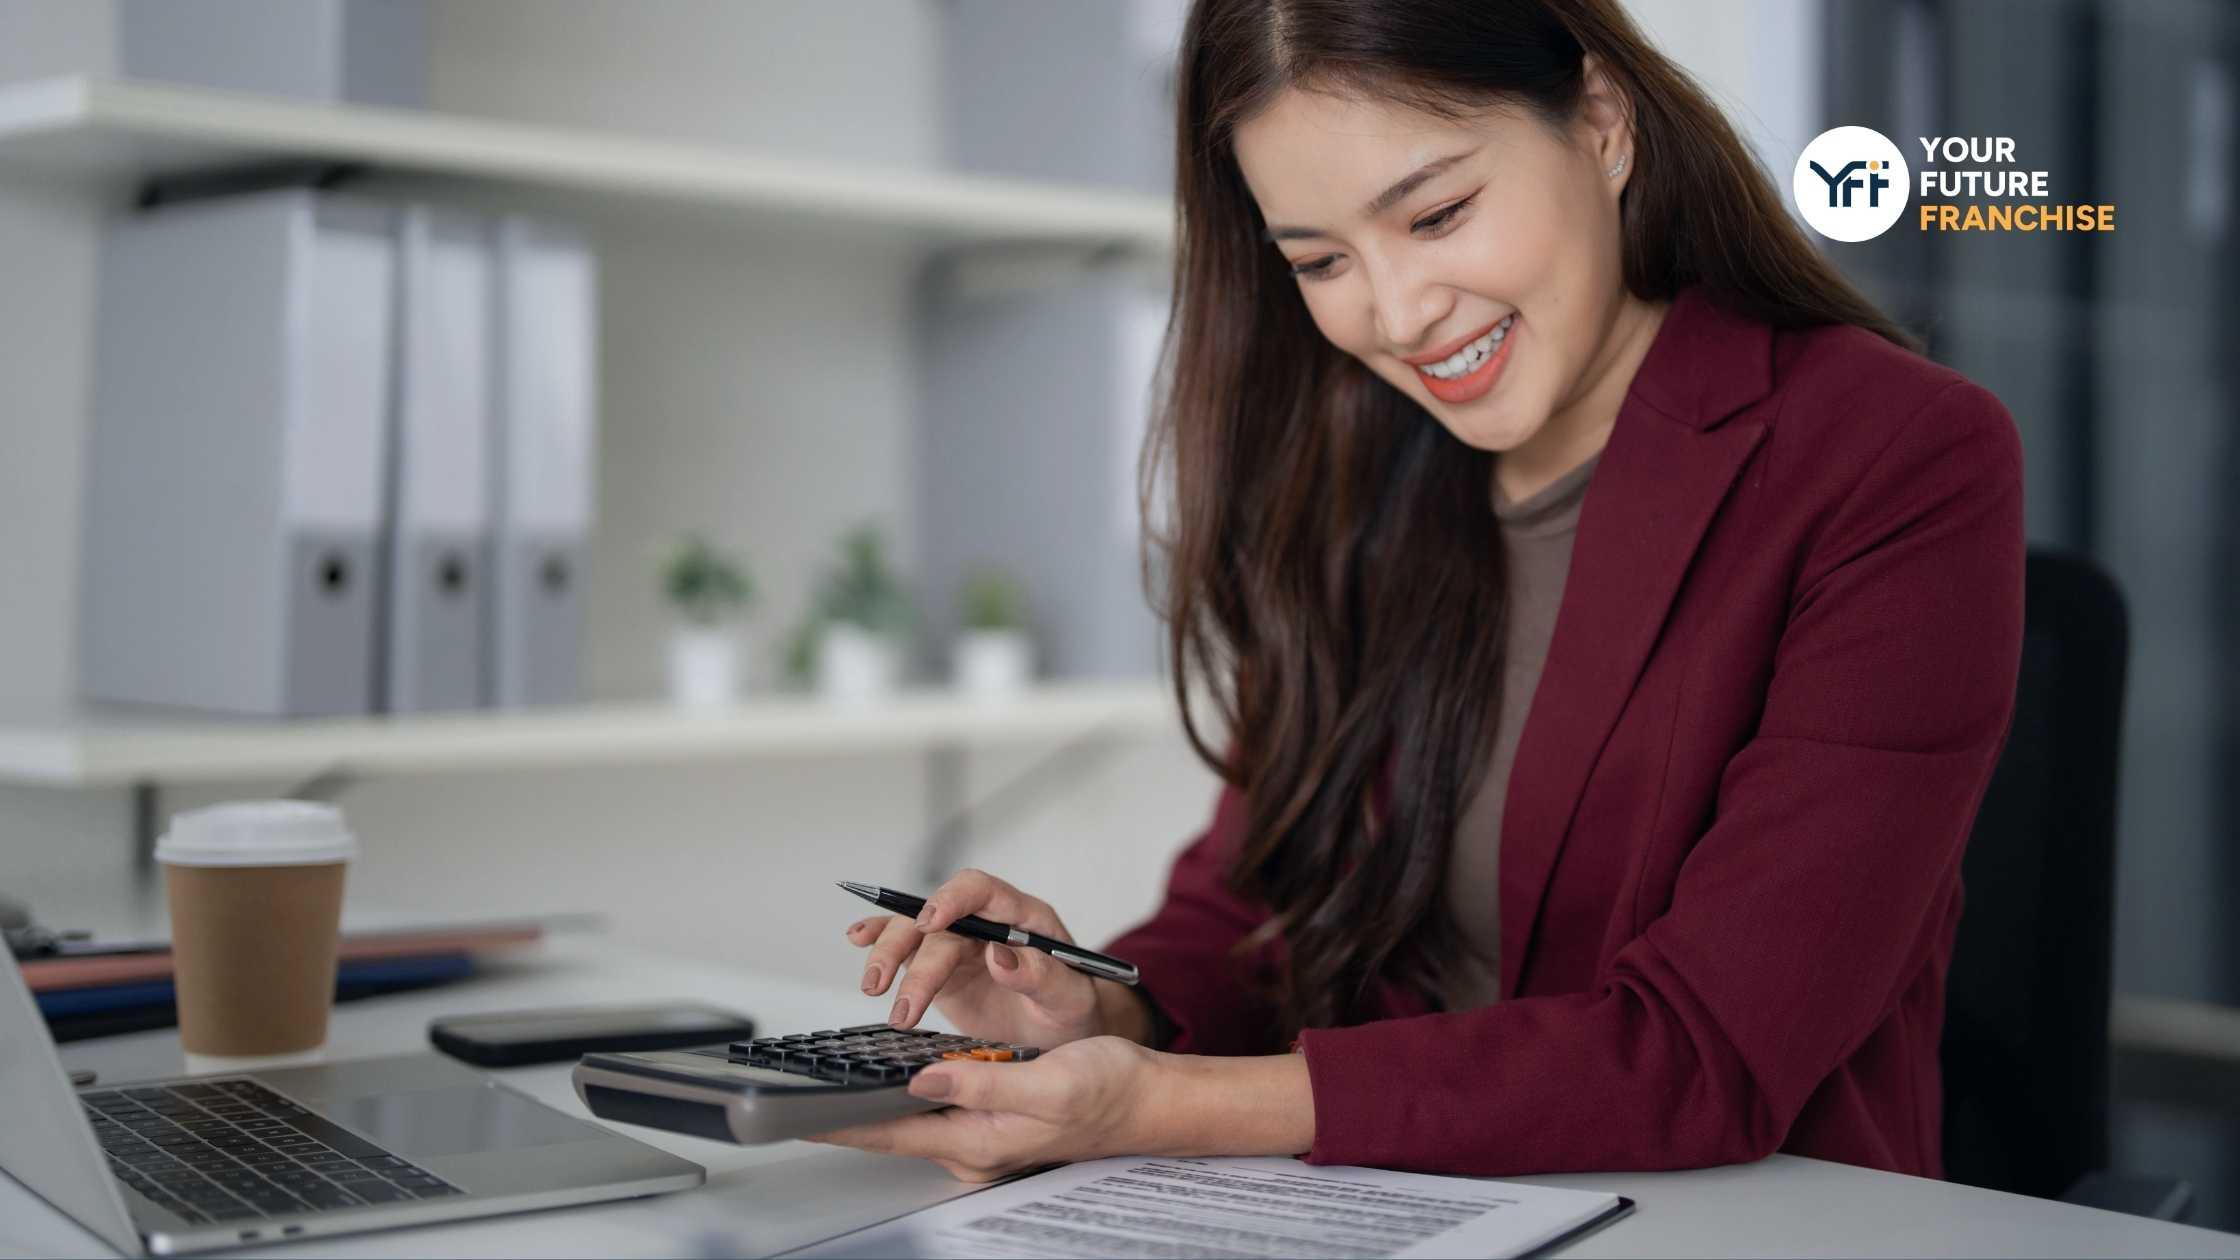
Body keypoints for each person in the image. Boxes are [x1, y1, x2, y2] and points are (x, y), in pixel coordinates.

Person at [812, 0, 2024, 1184]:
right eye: (1321, 260)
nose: (1395, 317)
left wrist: (1167, 1103)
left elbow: (1705, 1049)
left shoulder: (1891, 454)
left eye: (1437, 213)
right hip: (1390, 1205)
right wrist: (1089, 1011)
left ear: (1600, 122)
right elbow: (1249, 912)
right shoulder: (1356, 474)